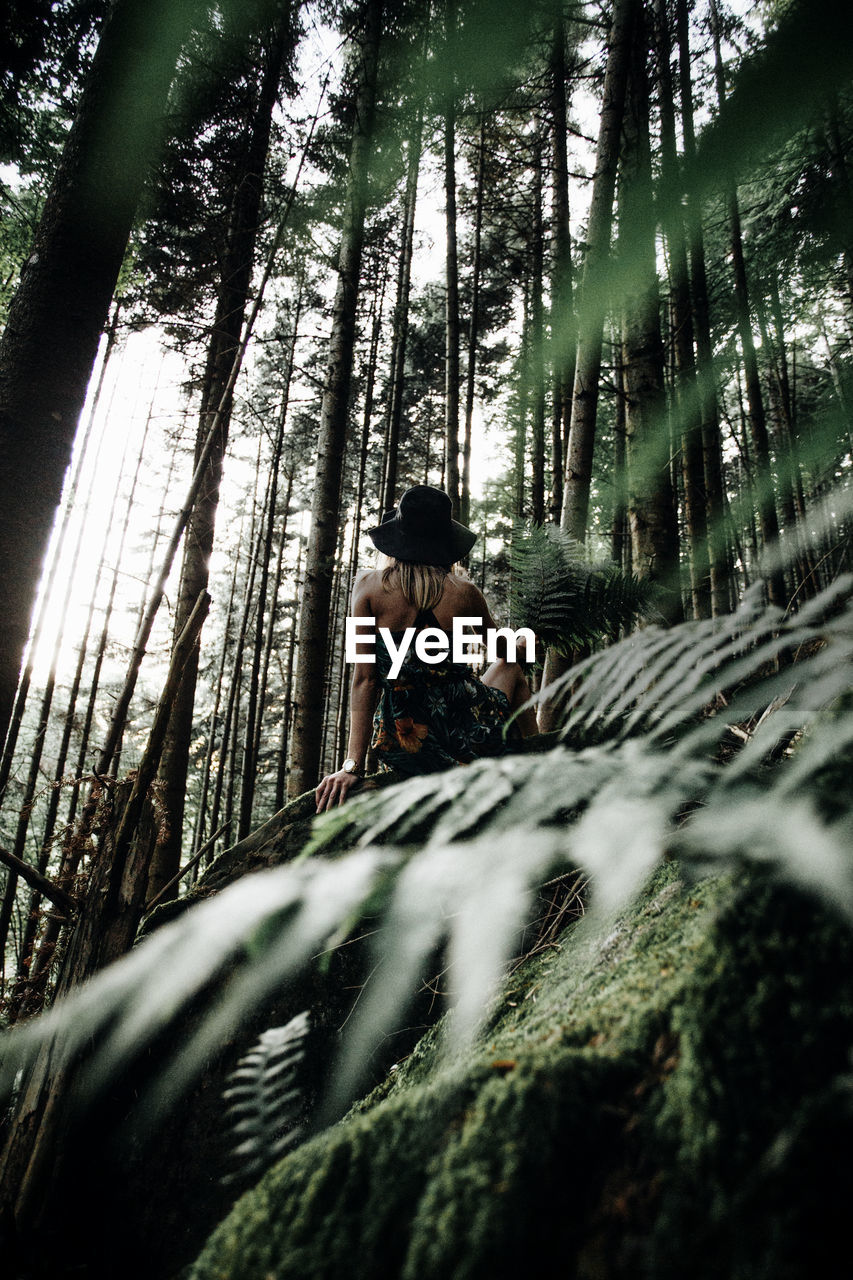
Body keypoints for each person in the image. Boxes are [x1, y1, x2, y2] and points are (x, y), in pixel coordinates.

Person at [315, 485, 537, 812]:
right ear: (445, 543)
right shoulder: (465, 593)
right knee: (514, 669)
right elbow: (506, 654)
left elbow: (365, 679)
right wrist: (522, 641)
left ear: (398, 538)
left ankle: (537, 759)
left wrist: (352, 766)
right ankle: (540, 758)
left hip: (405, 737)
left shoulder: (367, 588)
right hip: (464, 727)